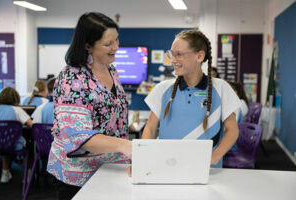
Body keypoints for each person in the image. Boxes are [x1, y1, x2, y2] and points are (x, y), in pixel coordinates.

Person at [46, 12, 131, 200]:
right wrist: (125, 146)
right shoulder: (71, 79)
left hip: (111, 166)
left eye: (116, 40)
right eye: (108, 44)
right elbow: (78, 136)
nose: (116, 47)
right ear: (87, 45)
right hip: (79, 175)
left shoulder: (111, 69)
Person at [142, 30, 240, 168]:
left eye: (179, 54)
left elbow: (232, 130)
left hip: (206, 171)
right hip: (167, 166)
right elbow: (150, 129)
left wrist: (214, 157)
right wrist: (142, 159)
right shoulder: (162, 89)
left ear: (199, 56)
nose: (173, 60)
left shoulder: (221, 88)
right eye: (172, 54)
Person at [0, 87, 33, 183]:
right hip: (15, 146)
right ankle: (27, 176)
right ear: (15, 98)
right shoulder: (17, 110)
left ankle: (5, 174)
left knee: (3, 141)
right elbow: (31, 125)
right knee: (29, 146)